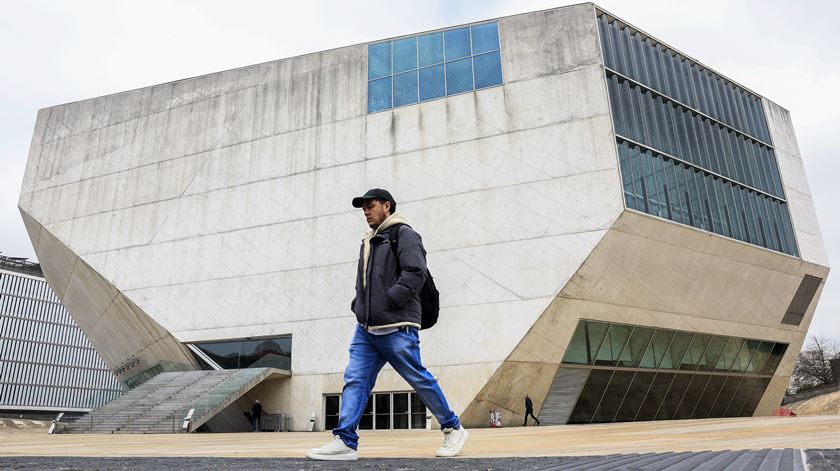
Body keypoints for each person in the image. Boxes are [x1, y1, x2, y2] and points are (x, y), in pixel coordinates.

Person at [306, 188, 468, 461]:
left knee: (418, 378)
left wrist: (391, 300)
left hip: (397, 324)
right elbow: (367, 284)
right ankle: (345, 441)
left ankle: (453, 428)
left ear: (387, 206)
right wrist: (359, 305)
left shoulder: (404, 234)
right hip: (367, 329)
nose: (366, 211)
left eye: (371, 206)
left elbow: (415, 272)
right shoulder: (369, 240)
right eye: (363, 208)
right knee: (355, 380)